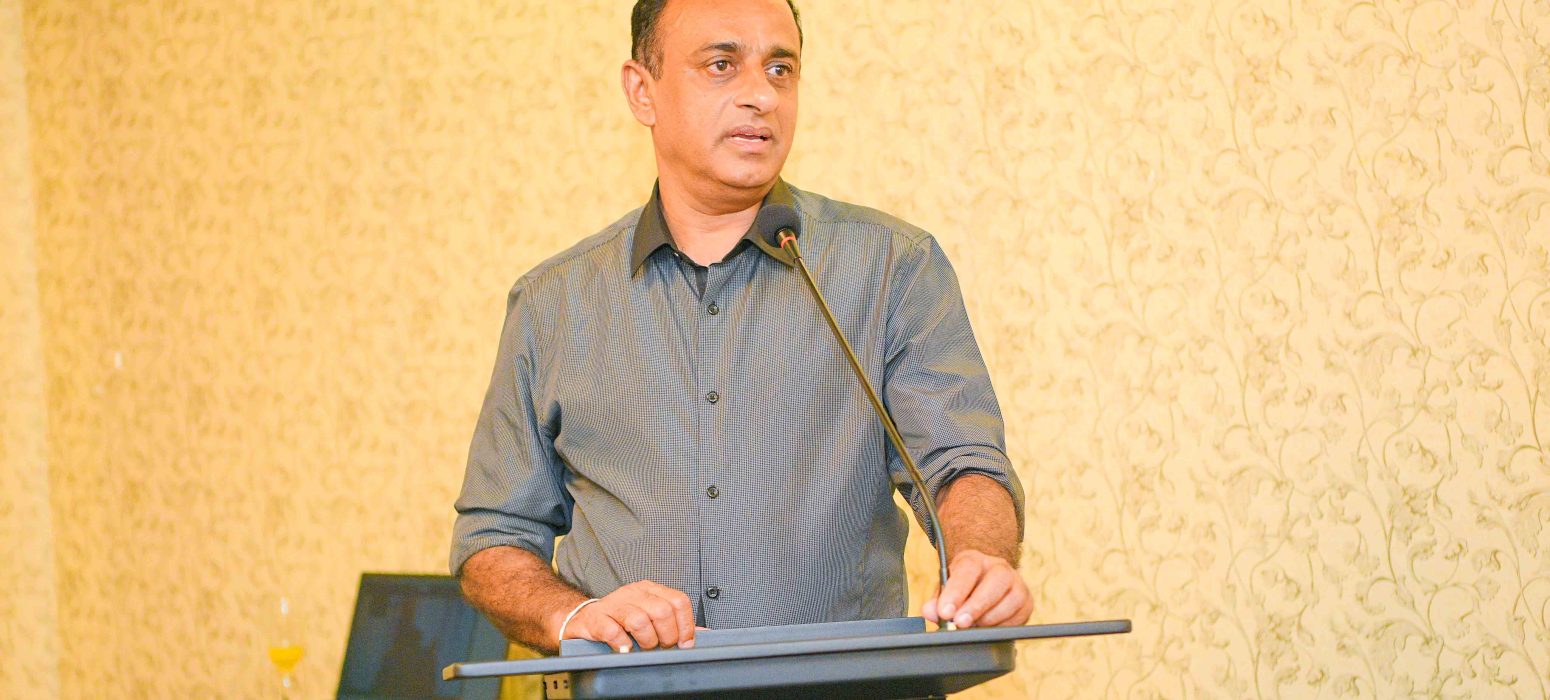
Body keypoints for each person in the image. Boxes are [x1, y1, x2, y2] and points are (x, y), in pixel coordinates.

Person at [451, 0, 1031, 655]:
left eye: (780, 70)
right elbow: (492, 538)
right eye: (721, 65)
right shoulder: (551, 304)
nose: (762, 95)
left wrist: (982, 559)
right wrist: (574, 616)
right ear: (642, 91)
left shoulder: (894, 266)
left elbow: (961, 465)